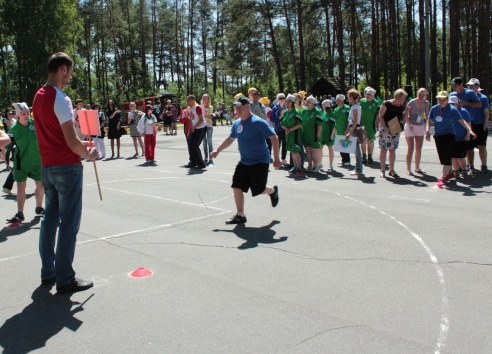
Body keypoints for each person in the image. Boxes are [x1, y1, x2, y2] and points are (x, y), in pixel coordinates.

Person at [32, 52, 98, 293]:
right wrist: (88, 153)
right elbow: (71, 142)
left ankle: (48, 272)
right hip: (66, 167)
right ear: (61, 69)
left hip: (47, 166)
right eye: (69, 72)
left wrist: (82, 146)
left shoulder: (38, 96)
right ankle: (65, 278)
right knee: (68, 224)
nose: (70, 77)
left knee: (49, 220)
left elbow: (61, 137)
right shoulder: (61, 98)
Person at [210, 96, 281, 224]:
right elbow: (230, 139)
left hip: (260, 161)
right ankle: (240, 215)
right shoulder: (237, 123)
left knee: (259, 189)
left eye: (239, 107)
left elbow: (274, 137)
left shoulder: (258, 122)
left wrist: (276, 157)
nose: (237, 110)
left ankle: (273, 190)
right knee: (236, 186)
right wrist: (217, 151)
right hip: (244, 161)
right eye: (235, 108)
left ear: (248, 106)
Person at [426, 91, 476, 187]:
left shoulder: (452, 109)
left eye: (443, 100)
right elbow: (429, 120)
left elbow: (462, 121)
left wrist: (469, 130)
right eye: (439, 99)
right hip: (438, 135)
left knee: (447, 156)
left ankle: (443, 178)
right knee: (442, 157)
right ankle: (450, 173)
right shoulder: (434, 108)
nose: (441, 101)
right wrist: (427, 131)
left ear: (447, 100)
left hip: (449, 135)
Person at [6, 102, 44, 223]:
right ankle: (20, 213)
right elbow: (7, 146)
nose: (26, 115)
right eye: (23, 113)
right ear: (18, 115)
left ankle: (39, 208)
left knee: (41, 185)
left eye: (27, 113)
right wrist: (7, 162)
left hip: (37, 162)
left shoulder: (35, 123)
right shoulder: (14, 129)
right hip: (21, 164)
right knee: (21, 187)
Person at [448, 77, 482, 174]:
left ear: (461, 85)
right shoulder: (452, 94)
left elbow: (479, 104)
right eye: (452, 85)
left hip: (468, 122)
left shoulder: (469, 93)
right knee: (456, 149)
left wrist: (466, 103)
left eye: (455, 85)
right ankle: (458, 169)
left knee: (469, 147)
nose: (453, 87)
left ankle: (471, 166)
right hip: (456, 124)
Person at [378, 89, 408, 178]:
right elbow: (380, 116)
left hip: (395, 127)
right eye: (403, 98)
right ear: (398, 97)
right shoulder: (387, 104)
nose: (404, 100)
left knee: (392, 149)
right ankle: (382, 170)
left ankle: (391, 169)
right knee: (383, 149)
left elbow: (402, 120)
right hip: (385, 127)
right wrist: (385, 127)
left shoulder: (402, 107)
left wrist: (407, 111)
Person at [465, 78, 489, 173]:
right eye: (469, 86)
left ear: (477, 86)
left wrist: (484, 125)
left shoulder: (483, 98)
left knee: (481, 146)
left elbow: (486, 112)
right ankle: (470, 165)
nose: (470, 87)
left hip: (479, 125)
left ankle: (484, 164)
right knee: (469, 147)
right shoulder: (466, 97)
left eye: (472, 86)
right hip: (469, 125)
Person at [404, 88, 430, 175]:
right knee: (410, 148)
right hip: (410, 125)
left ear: (426, 96)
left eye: (423, 95)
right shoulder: (411, 102)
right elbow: (406, 114)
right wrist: (408, 124)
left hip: (420, 126)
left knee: (418, 148)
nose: (421, 97)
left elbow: (427, 116)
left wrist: (427, 130)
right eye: (420, 94)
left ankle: (417, 167)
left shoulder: (426, 103)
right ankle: (408, 169)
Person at [448, 96, 472, 179]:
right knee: (453, 156)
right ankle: (456, 171)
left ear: (457, 104)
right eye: (450, 104)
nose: (451, 105)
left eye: (453, 104)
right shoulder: (448, 112)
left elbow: (468, 124)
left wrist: (468, 134)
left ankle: (464, 170)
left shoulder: (463, 111)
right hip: (451, 137)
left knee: (460, 156)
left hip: (461, 138)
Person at [281, 94, 304, 175]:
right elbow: (282, 123)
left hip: (295, 135)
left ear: (293, 102)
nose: (287, 102)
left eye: (289, 101)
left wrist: (290, 129)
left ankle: (299, 168)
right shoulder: (286, 112)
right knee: (292, 151)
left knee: (296, 151)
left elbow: (300, 124)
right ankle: (295, 166)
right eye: (286, 101)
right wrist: (285, 128)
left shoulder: (296, 112)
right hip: (288, 135)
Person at [360, 87, 381, 164]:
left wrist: (377, 125)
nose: (367, 95)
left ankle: (370, 156)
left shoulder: (376, 103)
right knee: (362, 141)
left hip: (371, 125)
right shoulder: (362, 101)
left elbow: (377, 115)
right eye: (366, 94)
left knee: (370, 141)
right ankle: (364, 156)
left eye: (369, 94)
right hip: (362, 124)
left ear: (372, 96)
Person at [301, 95, 323, 172]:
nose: (306, 103)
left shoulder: (317, 111)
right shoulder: (304, 110)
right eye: (306, 101)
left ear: (313, 103)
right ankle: (310, 165)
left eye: (308, 102)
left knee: (314, 150)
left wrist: (318, 133)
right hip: (305, 134)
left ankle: (316, 165)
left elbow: (320, 124)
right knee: (308, 150)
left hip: (314, 134)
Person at [185, 95, 207, 169]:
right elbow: (191, 120)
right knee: (191, 145)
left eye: (189, 100)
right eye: (187, 101)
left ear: (193, 100)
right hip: (195, 128)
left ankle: (201, 163)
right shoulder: (189, 108)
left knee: (195, 145)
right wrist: (189, 131)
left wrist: (194, 127)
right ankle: (193, 162)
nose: (187, 102)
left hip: (201, 127)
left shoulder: (197, 107)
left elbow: (201, 120)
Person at [270, 93, 288, 165]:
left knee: (285, 144)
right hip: (278, 128)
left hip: (285, 128)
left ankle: (283, 159)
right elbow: (272, 119)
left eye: (283, 98)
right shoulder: (275, 108)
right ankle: (276, 159)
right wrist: (278, 118)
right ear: (278, 99)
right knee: (277, 144)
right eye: (280, 98)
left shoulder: (286, 107)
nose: (282, 100)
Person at [333, 94, 351, 166]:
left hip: (345, 129)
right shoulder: (336, 109)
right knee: (340, 145)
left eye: (339, 100)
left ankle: (347, 160)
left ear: (343, 100)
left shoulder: (347, 108)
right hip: (338, 130)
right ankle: (343, 159)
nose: (338, 101)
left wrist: (347, 129)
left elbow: (349, 120)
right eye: (337, 100)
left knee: (345, 145)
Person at [319, 99, 336, 172]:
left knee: (330, 149)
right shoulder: (323, 112)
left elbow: (334, 126)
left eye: (323, 105)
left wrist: (332, 134)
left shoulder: (332, 113)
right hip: (322, 134)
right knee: (319, 148)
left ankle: (330, 165)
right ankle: (319, 163)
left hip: (329, 134)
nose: (322, 106)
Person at [201, 94, 215, 165]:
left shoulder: (210, 107)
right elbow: (201, 116)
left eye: (206, 98)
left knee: (209, 141)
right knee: (204, 142)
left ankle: (211, 157)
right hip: (202, 126)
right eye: (203, 98)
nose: (204, 100)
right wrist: (207, 115)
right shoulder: (200, 107)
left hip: (209, 125)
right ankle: (206, 157)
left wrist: (207, 115)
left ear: (208, 99)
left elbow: (210, 116)